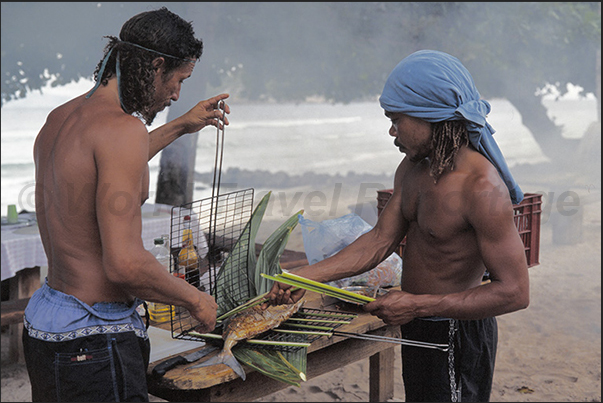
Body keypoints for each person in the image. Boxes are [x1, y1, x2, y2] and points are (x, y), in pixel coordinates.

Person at [266, 50, 529, 402]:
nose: (391, 130)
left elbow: (515, 292)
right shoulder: (412, 169)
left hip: (456, 332)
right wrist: (306, 278)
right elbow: (378, 240)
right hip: (416, 322)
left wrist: (418, 305)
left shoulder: (480, 187)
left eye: (396, 119)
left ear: (430, 116)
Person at [23, 7, 227, 402]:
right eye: (178, 80)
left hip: (48, 326)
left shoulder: (60, 119)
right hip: (94, 340)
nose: (176, 95)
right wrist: (196, 299)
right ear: (156, 65)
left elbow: (101, 170)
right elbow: (125, 264)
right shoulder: (123, 130)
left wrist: (181, 125)